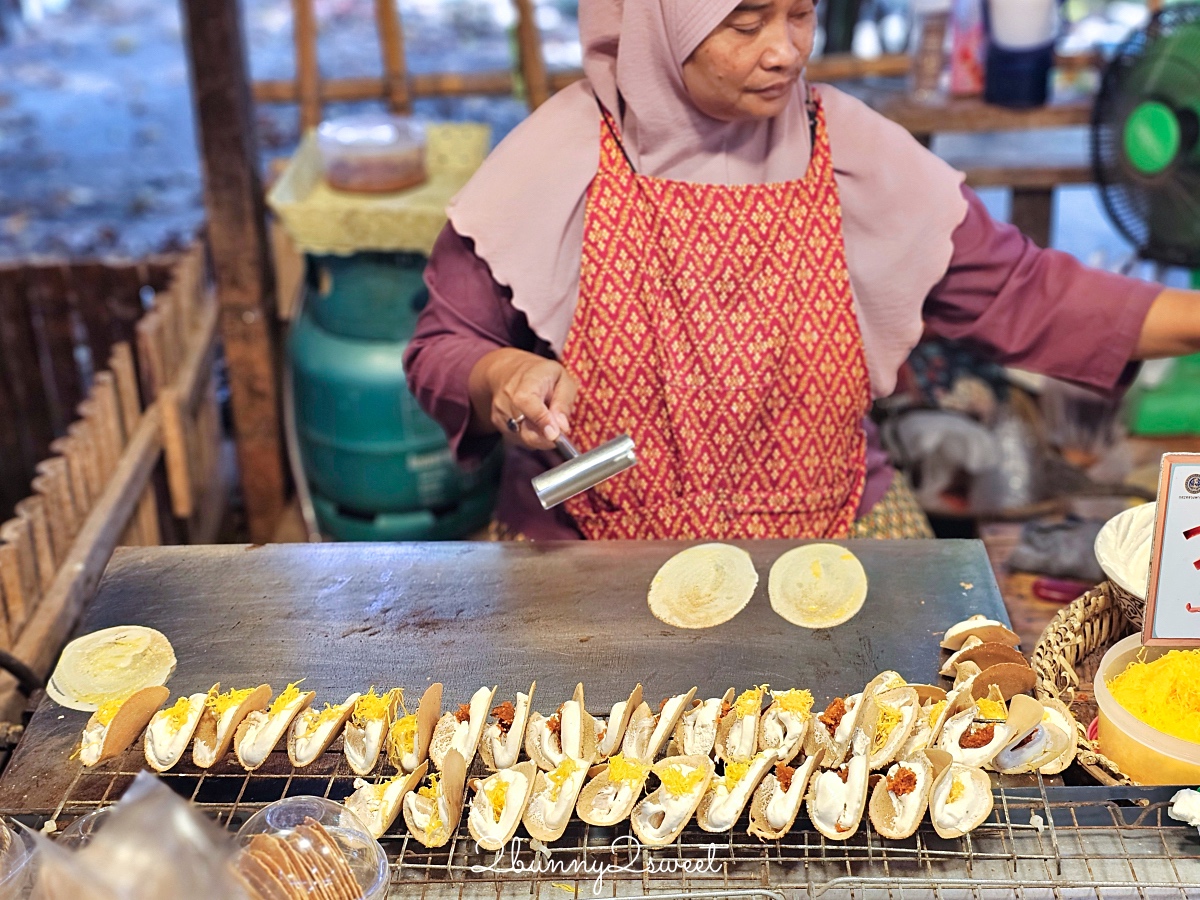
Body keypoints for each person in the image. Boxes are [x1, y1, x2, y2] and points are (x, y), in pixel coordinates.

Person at [404, 0, 1200, 541]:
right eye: (745, 22)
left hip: (837, 529)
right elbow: (444, 346)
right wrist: (500, 373)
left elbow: (1026, 296)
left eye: (801, 12)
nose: (784, 51)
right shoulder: (558, 160)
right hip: (586, 543)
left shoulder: (851, 153)